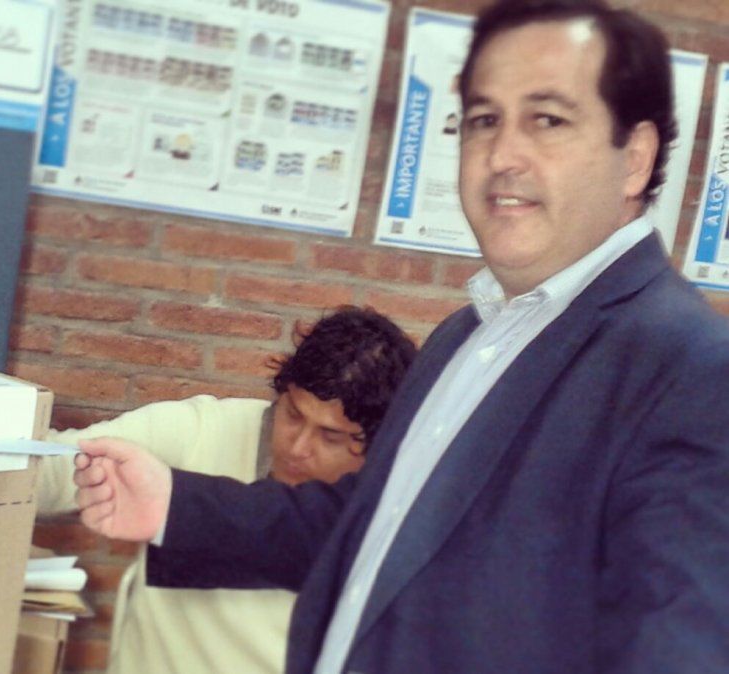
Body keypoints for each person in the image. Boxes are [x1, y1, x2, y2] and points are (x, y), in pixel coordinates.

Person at [74, 1, 729, 672]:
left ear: (634, 158)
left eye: (548, 120)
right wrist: (174, 504)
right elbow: (371, 525)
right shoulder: (467, 335)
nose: (502, 155)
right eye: (483, 120)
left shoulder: (692, 372)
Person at [37, 306, 416, 674]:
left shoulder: (387, 520)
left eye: (330, 436)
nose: (298, 447)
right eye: (293, 414)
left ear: (379, 443)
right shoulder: (205, 429)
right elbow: (54, 468)